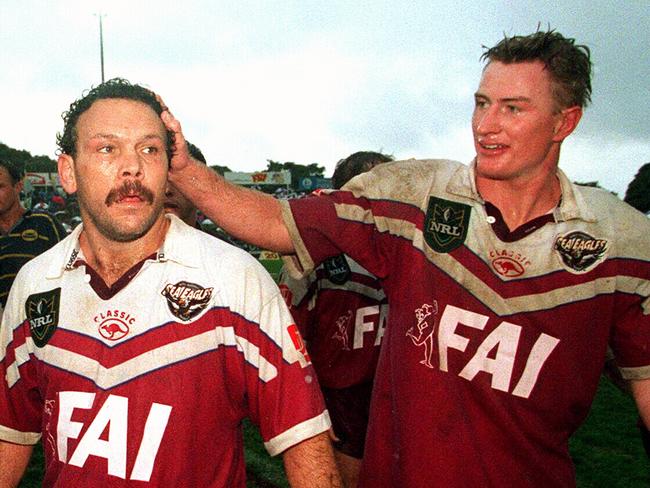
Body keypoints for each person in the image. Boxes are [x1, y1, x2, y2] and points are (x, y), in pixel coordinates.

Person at [163, 29, 650, 487]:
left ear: (564, 122)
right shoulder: (414, 195)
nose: (486, 124)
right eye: (481, 103)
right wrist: (184, 171)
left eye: (512, 108)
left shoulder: (621, 240)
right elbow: (276, 222)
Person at [0, 78, 341, 488]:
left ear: (168, 170)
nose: (133, 167)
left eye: (149, 149)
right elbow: (11, 431)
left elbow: (304, 438)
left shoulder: (233, 279)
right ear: (68, 172)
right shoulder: (35, 284)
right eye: (107, 149)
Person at [279, 151, 392, 488]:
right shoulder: (315, 257)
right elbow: (287, 340)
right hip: (343, 399)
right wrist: (309, 408)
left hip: (399, 396)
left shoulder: (412, 250)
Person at [0, 160, 66, 313]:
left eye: (0, 187)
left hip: (45, 316)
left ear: (17, 187)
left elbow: (72, 267)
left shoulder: (44, 223)